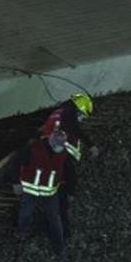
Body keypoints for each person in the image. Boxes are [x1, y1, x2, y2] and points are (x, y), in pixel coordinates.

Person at [9, 127, 75, 261]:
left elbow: (70, 172)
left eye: (61, 145)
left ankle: (58, 244)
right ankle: (22, 233)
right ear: (51, 140)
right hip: (30, 190)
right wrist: (15, 183)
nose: (59, 148)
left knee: (54, 217)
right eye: (57, 145)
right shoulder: (33, 149)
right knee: (26, 212)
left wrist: (71, 191)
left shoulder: (63, 154)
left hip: (50, 192)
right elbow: (15, 163)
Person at [39, 93, 100, 238]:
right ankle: (62, 230)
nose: (81, 119)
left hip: (46, 148)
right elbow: (75, 129)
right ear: (79, 109)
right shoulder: (68, 116)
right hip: (56, 154)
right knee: (61, 195)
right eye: (82, 115)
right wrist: (91, 145)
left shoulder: (59, 112)